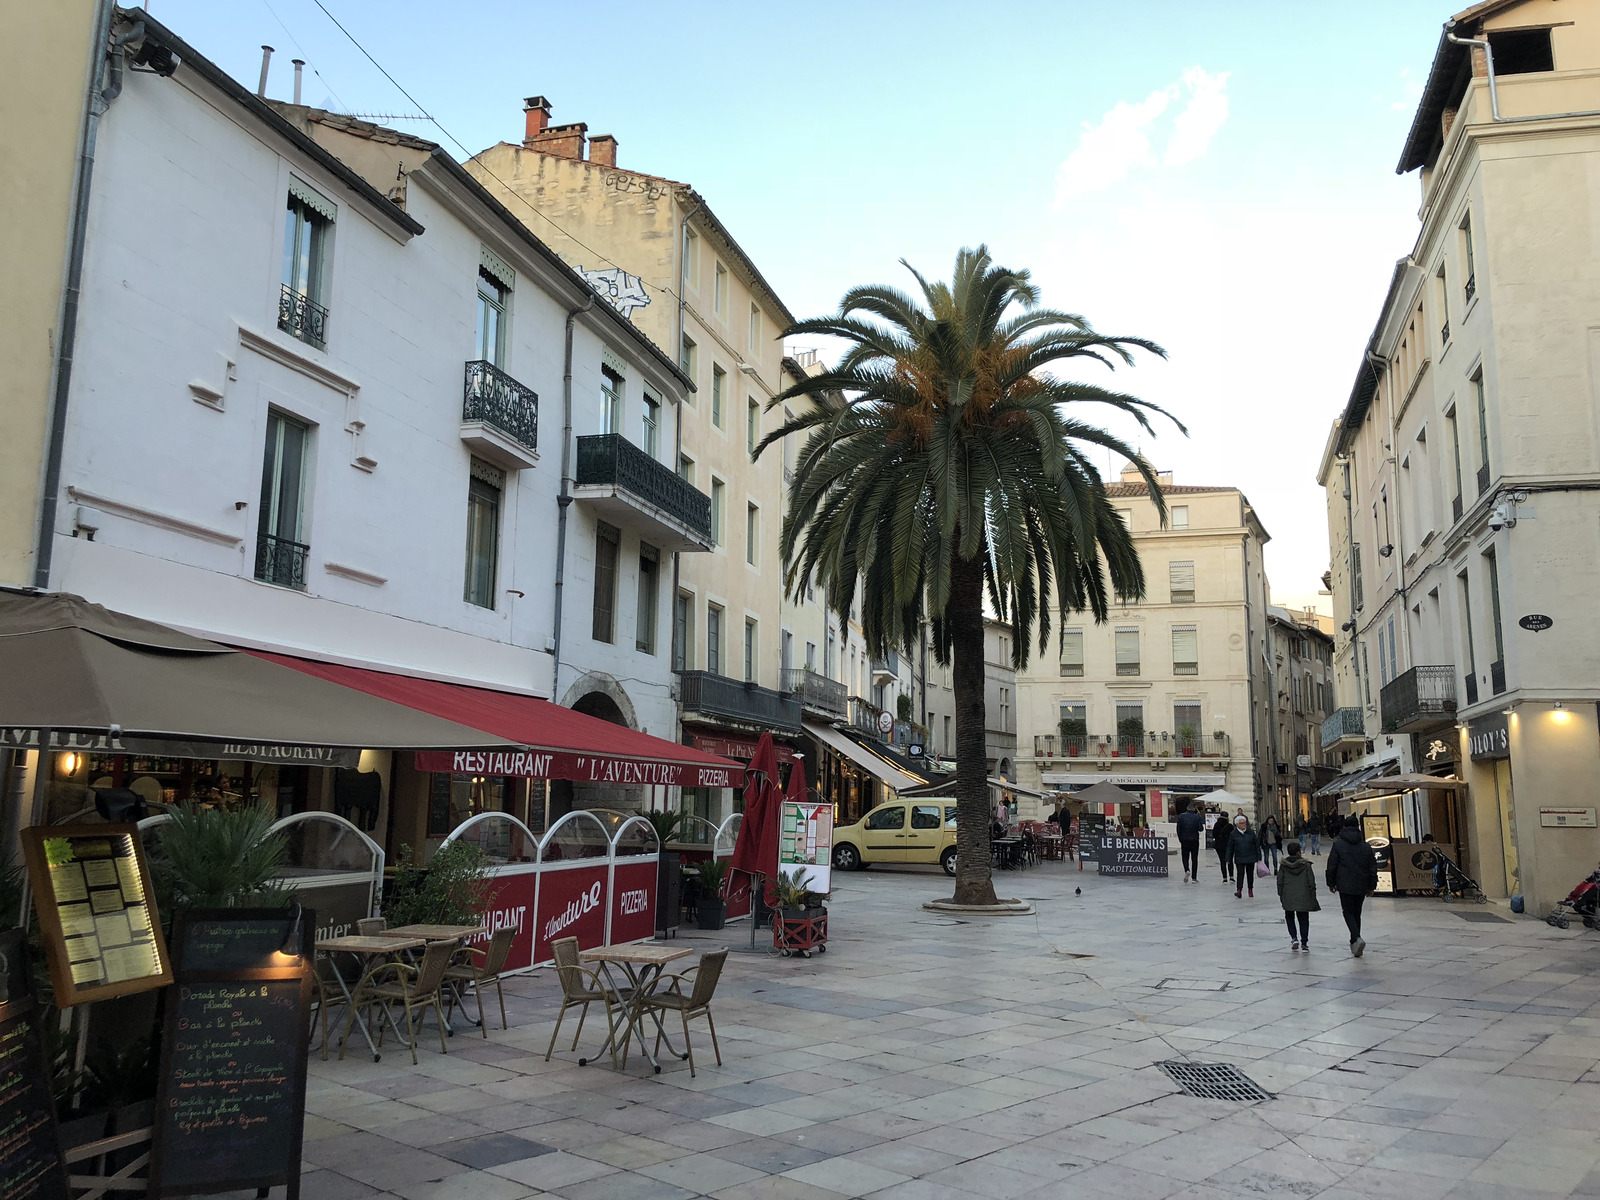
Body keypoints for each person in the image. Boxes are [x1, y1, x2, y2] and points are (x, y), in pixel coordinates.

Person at [1326, 815, 1379, 956]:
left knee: (1348, 912)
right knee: (1357, 912)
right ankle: (1354, 942)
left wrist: (1331, 883)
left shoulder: (1338, 844)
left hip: (1344, 883)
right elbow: (1372, 867)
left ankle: (1356, 938)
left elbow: (1332, 865)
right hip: (1362, 882)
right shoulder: (1366, 846)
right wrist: (1372, 885)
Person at [1277, 839, 1320, 951]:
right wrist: (1312, 895)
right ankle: (1304, 942)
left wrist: (1280, 894)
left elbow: (1280, 881)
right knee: (1303, 918)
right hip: (1303, 894)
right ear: (1298, 852)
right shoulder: (1306, 865)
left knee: (1289, 916)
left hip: (1288, 894)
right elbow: (1311, 881)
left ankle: (1294, 938)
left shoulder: (1283, 865)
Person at [1230, 814, 1262, 899]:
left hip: (1250, 856)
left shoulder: (1250, 832)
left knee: (1250, 874)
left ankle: (1250, 889)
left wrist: (1259, 857)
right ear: (1237, 824)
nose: (1244, 824)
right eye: (1242, 823)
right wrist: (1228, 858)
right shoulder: (1233, 834)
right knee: (1240, 874)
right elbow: (1230, 846)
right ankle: (1239, 890)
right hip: (1239, 857)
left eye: (1245, 823)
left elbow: (1256, 844)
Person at [1175, 804, 1205, 883]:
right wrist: (1200, 819)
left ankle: (1187, 870)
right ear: (1194, 809)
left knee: (1185, 857)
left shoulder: (1181, 816)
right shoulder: (1197, 817)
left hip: (1184, 840)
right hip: (1194, 840)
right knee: (1194, 859)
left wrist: (1180, 839)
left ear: (1187, 808)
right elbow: (1201, 829)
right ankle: (1194, 878)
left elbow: (1178, 829)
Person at [1212, 810, 1233, 883]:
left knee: (1222, 861)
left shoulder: (1216, 824)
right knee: (1230, 861)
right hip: (1228, 845)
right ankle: (1231, 876)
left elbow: (1214, 834)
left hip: (1219, 846)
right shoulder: (1230, 825)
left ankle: (1224, 877)